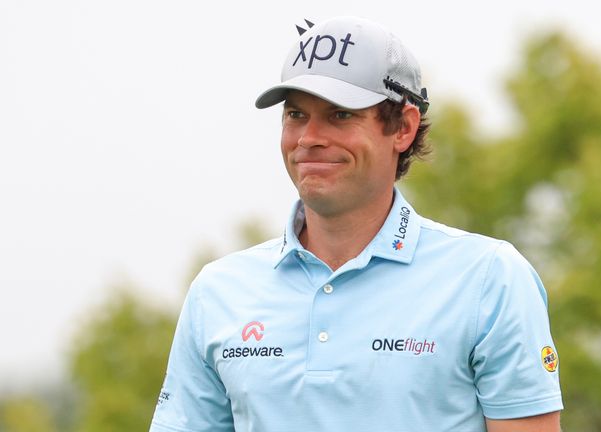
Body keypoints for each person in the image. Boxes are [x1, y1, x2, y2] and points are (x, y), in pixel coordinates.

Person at [150, 16, 563, 432]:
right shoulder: (217, 292)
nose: (309, 137)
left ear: (403, 127)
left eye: (340, 115)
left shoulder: (489, 278)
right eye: (296, 114)